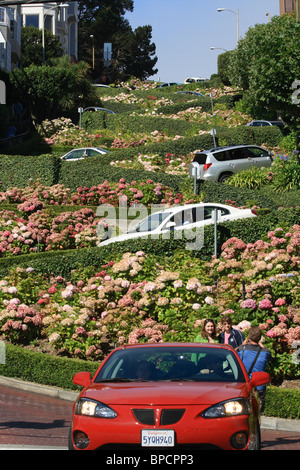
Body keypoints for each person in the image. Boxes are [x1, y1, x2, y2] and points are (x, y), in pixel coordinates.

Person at [237, 326, 271, 414]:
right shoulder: (265, 352)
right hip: (259, 386)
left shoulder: (242, 350)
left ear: (248, 336)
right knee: (258, 414)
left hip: (245, 386)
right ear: (260, 338)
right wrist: (260, 343)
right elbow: (266, 352)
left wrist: (242, 345)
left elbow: (232, 352)